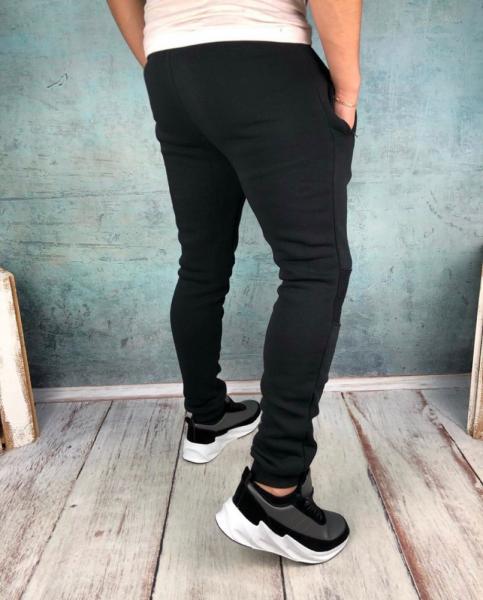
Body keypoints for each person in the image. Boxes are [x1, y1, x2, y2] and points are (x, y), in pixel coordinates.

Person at [107, 0, 362, 564]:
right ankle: (276, 490)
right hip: (263, 61)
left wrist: (159, 58)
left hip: (171, 70)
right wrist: (346, 92)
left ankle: (207, 417)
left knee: (201, 262)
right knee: (315, 267)